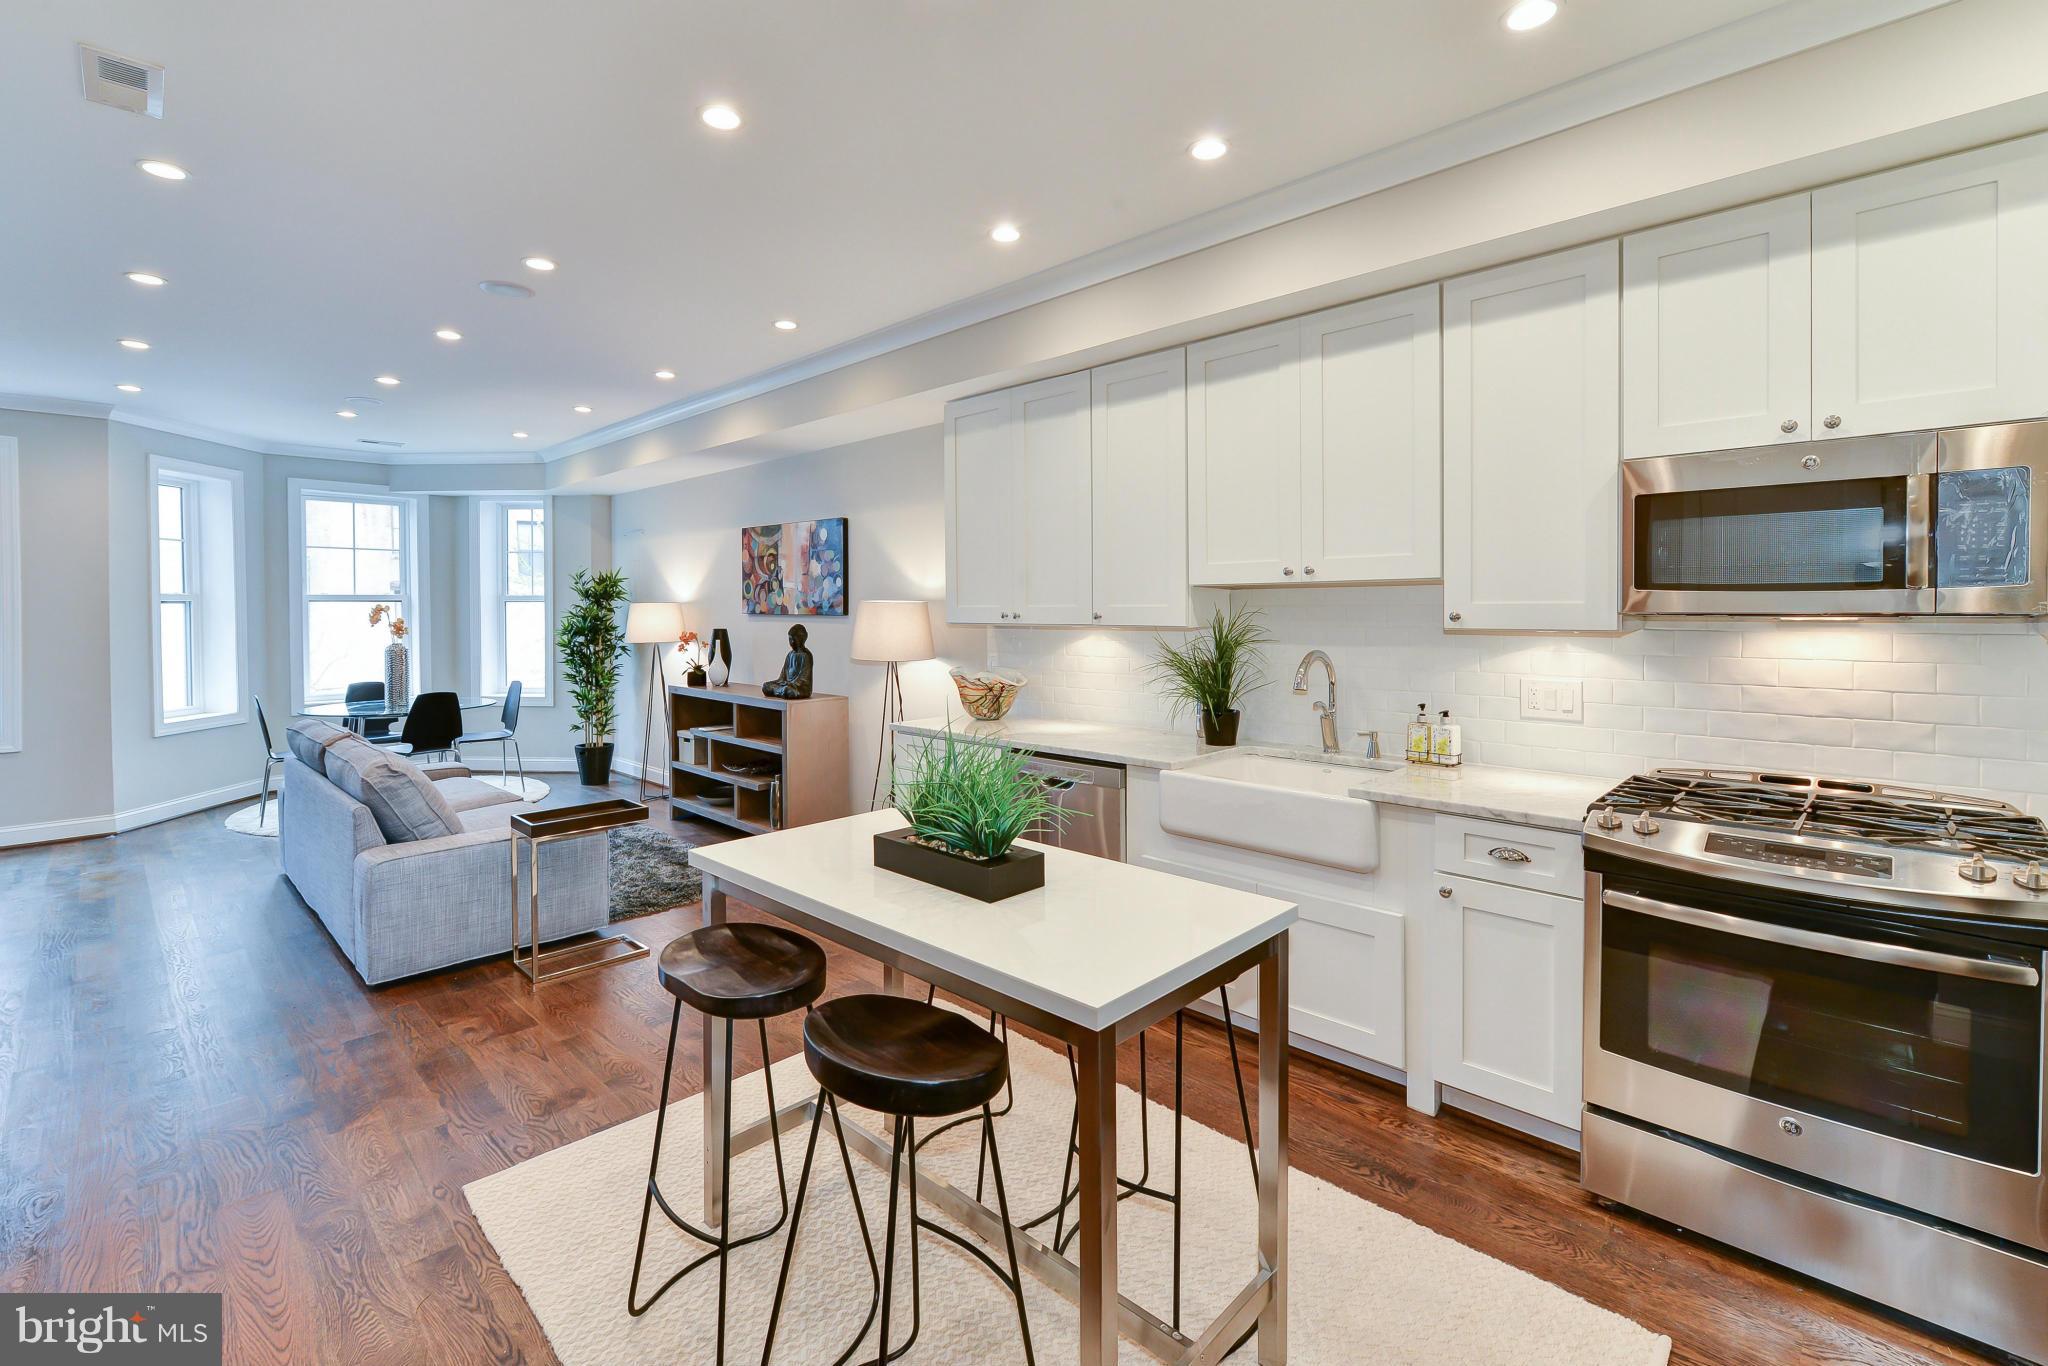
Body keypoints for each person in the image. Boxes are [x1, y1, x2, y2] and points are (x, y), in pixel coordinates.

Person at [762, 624, 814, 699]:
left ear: (801, 639)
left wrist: (790, 684)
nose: (791, 642)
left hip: (800, 688)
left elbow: (803, 678)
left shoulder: (806, 655)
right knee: (766, 686)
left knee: (788, 691)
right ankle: (781, 691)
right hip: (786, 684)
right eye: (790, 639)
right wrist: (782, 682)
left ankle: (781, 691)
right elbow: (783, 675)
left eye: (794, 639)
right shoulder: (790, 654)